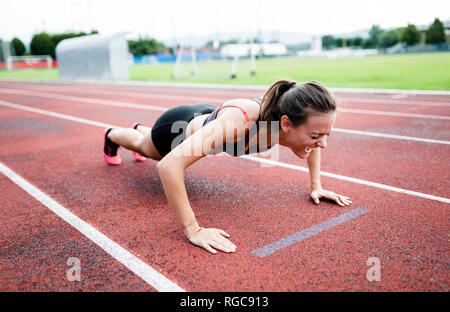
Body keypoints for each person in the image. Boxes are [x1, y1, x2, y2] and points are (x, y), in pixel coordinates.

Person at [102, 80, 352, 254]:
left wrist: (316, 186)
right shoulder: (241, 123)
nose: (323, 144)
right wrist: (194, 230)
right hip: (174, 130)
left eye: (325, 134)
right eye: (317, 135)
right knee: (145, 147)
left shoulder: (288, 119)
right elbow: (169, 167)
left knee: (150, 142)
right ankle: (114, 134)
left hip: (207, 118)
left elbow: (312, 145)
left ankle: (141, 130)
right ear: (286, 124)